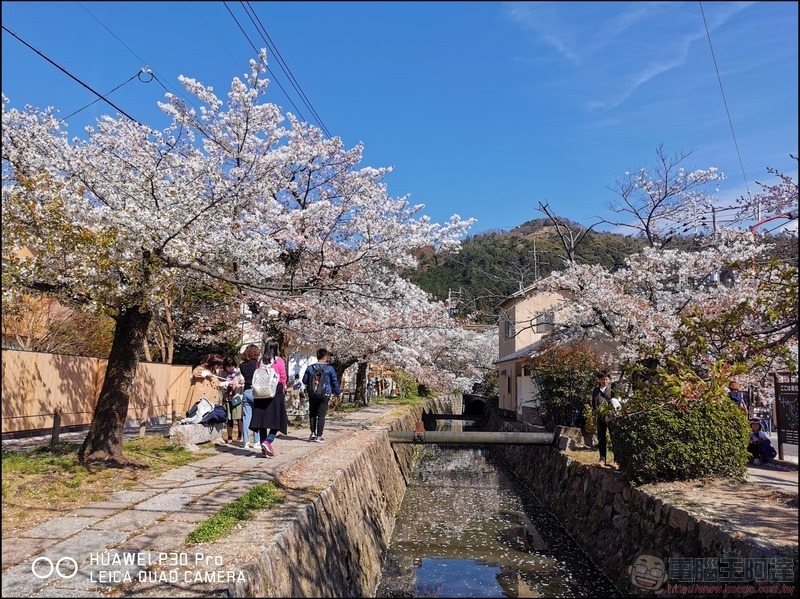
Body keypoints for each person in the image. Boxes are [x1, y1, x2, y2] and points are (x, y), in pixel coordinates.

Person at [249, 339, 289, 457]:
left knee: (262, 421)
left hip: (260, 393)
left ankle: (263, 446)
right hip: (275, 391)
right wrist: (284, 387)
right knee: (278, 419)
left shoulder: (260, 361)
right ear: (276, 348)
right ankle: (268, 441)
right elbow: (283, 377)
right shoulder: (279, 361)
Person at [302, 348, 341, 443]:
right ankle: (319, 436)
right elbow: (334, 381)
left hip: (312, 393)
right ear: (324, 357)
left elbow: (304, 381)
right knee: (321, 415)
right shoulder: (329, 368)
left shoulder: (310, 368)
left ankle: (312, 433)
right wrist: (338, 392)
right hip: (325, 393)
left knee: (312, 413)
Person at [238, 344, 262, 449]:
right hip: (257, 391)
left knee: (246, 417)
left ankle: (246, 441)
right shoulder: (258, 364)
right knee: (257, 416)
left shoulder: (242, 366)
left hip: (247, 391)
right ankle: (257, 441)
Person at [591, 371, 615, 467]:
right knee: (601, 438)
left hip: (611, 416)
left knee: (614, 438)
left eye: (606, 379)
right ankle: (602, 459)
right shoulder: (596, 391)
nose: (604, 381)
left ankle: (616, 460)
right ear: (599, 380)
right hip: (600, 416)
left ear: (608, 380)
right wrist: (594, 415)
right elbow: (594, 404)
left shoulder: (612, 389)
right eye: (603, 379)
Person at [221, 357, 245, 444]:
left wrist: (239, 384)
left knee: (238, 417)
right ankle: (229, 436)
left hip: (237, 397)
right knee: (229, 418)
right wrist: (226, 384)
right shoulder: (222, 373)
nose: (231, 368)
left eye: (232, 366)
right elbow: (220, 384)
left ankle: (240, 436)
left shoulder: (238, 372)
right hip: (227, 397)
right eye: (228, 366)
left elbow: (243, 382)